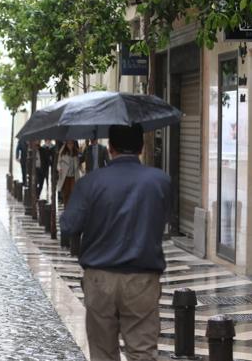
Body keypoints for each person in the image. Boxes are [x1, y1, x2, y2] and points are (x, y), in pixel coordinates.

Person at [59, 124, 172, 361]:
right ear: (141, 147)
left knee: (103, 353)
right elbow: (164, 218)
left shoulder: (90, 183)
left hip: (100, 278)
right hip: (142, 279)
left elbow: (69, 226)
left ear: (109, 147)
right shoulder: (160, 181)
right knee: (142, 351)